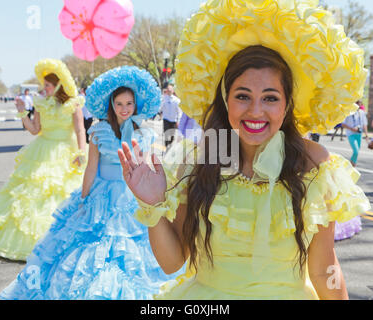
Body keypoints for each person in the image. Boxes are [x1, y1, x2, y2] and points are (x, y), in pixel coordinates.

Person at [118, 0, 370, 300]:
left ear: (288, 103)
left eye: (270, 98)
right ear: (225, 99)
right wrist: (154, 205)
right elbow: (173, 262)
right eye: (243, 95)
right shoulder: (197, 161)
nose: (255, 111)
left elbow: (323, 269)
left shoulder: (314, 163)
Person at [0, 66, 185, 300]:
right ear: (112, 105)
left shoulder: (145, 134)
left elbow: (148, 169)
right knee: (95, 248)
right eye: (119, 104)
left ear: (135, 105)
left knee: (134, 250)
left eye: (129, 104)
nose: (124, 109)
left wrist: (158, 199)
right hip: (102, 195)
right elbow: (91, 168)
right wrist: (84, 198)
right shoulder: (99, 131)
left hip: (134, 196)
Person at [0, 59, 87, 261]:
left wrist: (81, 152)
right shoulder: (40, 104)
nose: (44, 89)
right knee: (33, 196)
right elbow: (34, 130)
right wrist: (22, 112)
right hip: (42, 150)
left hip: (67, 152)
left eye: (47, 85)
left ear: (58, 85)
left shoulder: (74, 104)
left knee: (62, 195)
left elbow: (80, 129)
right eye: (44, 85)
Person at [342, 101, 369, 167]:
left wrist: (366, 135)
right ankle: (350, 165)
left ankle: (353, 165)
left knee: (357, 152)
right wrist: (352, 128)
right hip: (351, 134)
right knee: (356, 151)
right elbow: (343, 124)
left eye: (359, 105)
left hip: (359, 134)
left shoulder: (362, 113)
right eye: (357, 105)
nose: (358, 107)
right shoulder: (348, 112)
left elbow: (364, 124)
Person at [160, 83, 182, 148]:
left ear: (173, 91)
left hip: (173, 120)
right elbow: (160, 108)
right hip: (166, 119)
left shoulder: (177, 100)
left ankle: (170, 143)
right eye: (168, 89)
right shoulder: (163, 98)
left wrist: (178, 120)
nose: (169, 90)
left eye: (170, 89)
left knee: (172, 136)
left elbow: (179, 112)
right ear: (166, 90)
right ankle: (166, 146)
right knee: (166, 133)